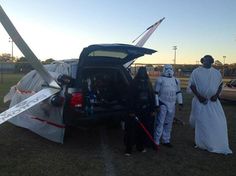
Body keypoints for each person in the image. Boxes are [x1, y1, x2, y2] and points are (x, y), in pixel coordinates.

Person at [188, 55, 232, 154]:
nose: (206, 61)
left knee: (218, 122)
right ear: (202, 61)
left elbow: (220, 84)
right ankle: (202, 142)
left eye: (209, 60)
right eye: (205, 60)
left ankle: (214, 142)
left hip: (213, 102)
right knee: (200, 123)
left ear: (212, 61)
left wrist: (216, 95)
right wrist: (199, 97)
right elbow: (192, 85)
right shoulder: (196, 72)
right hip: (200, 102)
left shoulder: (216, 73)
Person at [124, 67, 155, 156]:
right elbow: (130, 98)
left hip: (145, 110)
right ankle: (128, 149)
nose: (142, 74)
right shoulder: (133, 83)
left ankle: (140, 146)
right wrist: (131, 110)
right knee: (131, 130)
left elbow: (151, 97)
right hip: (135, 110)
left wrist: (152, 109)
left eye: (144, 72)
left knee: (142, 130)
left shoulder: (148, 83)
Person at [154, 64, 183, 148]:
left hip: (172, 104)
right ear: (163, 70)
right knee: (160, 123)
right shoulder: (160, 80)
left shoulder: (176, 80)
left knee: (169, 123)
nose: (169, 70)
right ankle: (156, 141)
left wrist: (180, 103)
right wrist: (157, 105)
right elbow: (155, 93)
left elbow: (178, 92)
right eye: (167, 69)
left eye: (170, 68)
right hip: (163, 103)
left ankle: (166, 140)